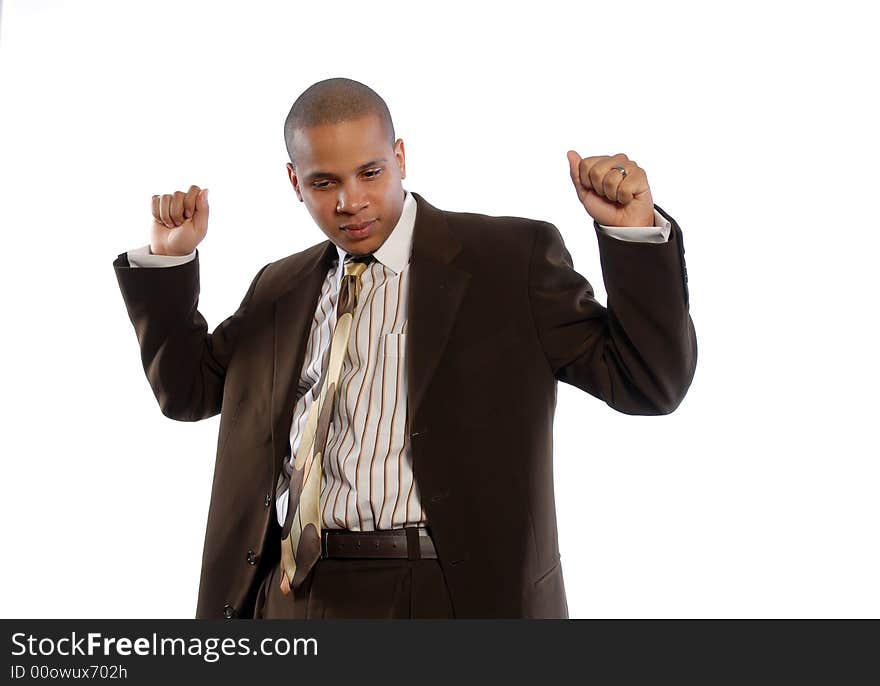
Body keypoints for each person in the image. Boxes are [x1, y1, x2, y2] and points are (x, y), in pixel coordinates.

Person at [113, 77, 697, 619]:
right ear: (295, 183)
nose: (351, 202)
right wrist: (169, 258)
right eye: (325, 182)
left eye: (369, 172)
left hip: (451, 594)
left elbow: (648, 381)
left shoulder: (507, 260)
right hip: (295, 593)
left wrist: (632, 232)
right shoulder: (280, 287)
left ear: (400, 158)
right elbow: (188, 392)